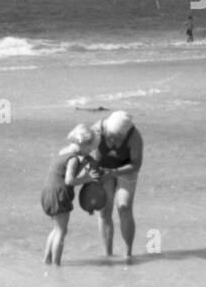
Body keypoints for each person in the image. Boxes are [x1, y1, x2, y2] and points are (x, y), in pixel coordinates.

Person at [41, 125, 101, 267]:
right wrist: (88, 178)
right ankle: (57, 265)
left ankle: (47, 261)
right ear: (83, 144)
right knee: (62, 231)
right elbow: (69, 180)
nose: (91, 151)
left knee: (56, 229)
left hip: (47, 192)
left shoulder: (63, 152)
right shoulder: (73, 159)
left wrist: (85, 164)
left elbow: (63, 172)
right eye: (91, 148)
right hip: (59, 195)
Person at [90, 111, 142, 261]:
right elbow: (84, 149)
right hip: (103, 167)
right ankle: (108, 256)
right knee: (104, 210)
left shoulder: (134, 137)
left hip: (126, 169)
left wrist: (113, 172)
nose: (113, 140)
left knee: (124, 206)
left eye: (118, 137)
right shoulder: (97, 129)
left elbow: (135, 165)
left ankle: (128, 254)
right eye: (110, 136)